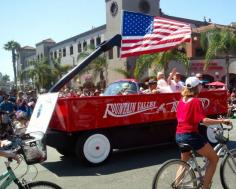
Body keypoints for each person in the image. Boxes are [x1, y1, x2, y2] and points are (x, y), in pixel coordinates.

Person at [175, 76, 231, 189]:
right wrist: (222, 121)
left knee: (184, 162)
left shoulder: (181, 101)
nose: (201, 86)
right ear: (196, 88)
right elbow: (204, 120)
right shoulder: (195, 101)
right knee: (214, 158)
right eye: (200, 85)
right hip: (190, 136)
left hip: (179, 135)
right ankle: (205, 187)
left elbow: (186, 119)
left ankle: (176, 185)